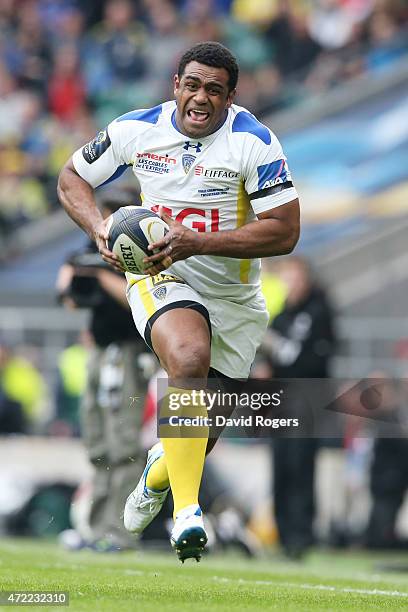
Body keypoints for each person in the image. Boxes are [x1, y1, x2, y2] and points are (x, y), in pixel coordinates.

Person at [57, 41, 300, 562]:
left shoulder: (253, 142)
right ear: (176, 85)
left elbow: (284, 232)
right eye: (192, 85)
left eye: (214, 90)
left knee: (199, 435)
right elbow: (72, 177)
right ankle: (188, 514)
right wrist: (100, 225)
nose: (200, 98)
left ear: (231, 97)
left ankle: (159, 473)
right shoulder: (135, 129)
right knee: (187, 360)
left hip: (234, 296)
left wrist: (197, 240)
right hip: (159, 276)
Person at [56, 189, 147, 551]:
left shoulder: (140, 247)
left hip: (128, 353)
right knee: (97, 440)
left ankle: (119, 530)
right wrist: (77, 277)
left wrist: (99, 273)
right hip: (100, 352)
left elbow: (134, 298)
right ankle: (95, 526)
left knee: (123, 443)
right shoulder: (97, 247)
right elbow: (67, 295)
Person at [260, 256, 336, 559]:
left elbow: (305, 358)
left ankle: (301, 535)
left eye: (294, 277)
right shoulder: (283, 314)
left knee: (301, 463)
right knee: (281, 465)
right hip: (282, 399)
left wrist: (275, 354)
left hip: (307, 399)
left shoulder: (318, 311)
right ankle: (283, 534)